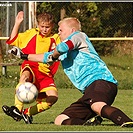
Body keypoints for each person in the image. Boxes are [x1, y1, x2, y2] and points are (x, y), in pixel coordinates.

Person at [9, 17, 133, 127]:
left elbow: (62, 48)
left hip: (101, 82)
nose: (58, 32)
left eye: (61, 30)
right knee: (60, 119)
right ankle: (89, 124)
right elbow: (44, 57)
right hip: (89, 92)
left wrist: (54, 55)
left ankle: (126, 121)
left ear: (72, 30)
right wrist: (23, 55)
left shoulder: (79, 36)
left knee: (97, 105)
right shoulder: (65, 51)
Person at [2, 11, 60, 124]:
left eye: (47, 27)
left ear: (52, 26)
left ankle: (27, 113)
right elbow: (13, 40)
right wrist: (17, 23)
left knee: (53, 97)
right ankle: (17, 109)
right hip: (31, 65)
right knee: (24, 76)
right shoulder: (32, 33)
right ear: (38, 25)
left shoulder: (56, 38)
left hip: (45, 73)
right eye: (42, 26)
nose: (44, 29)